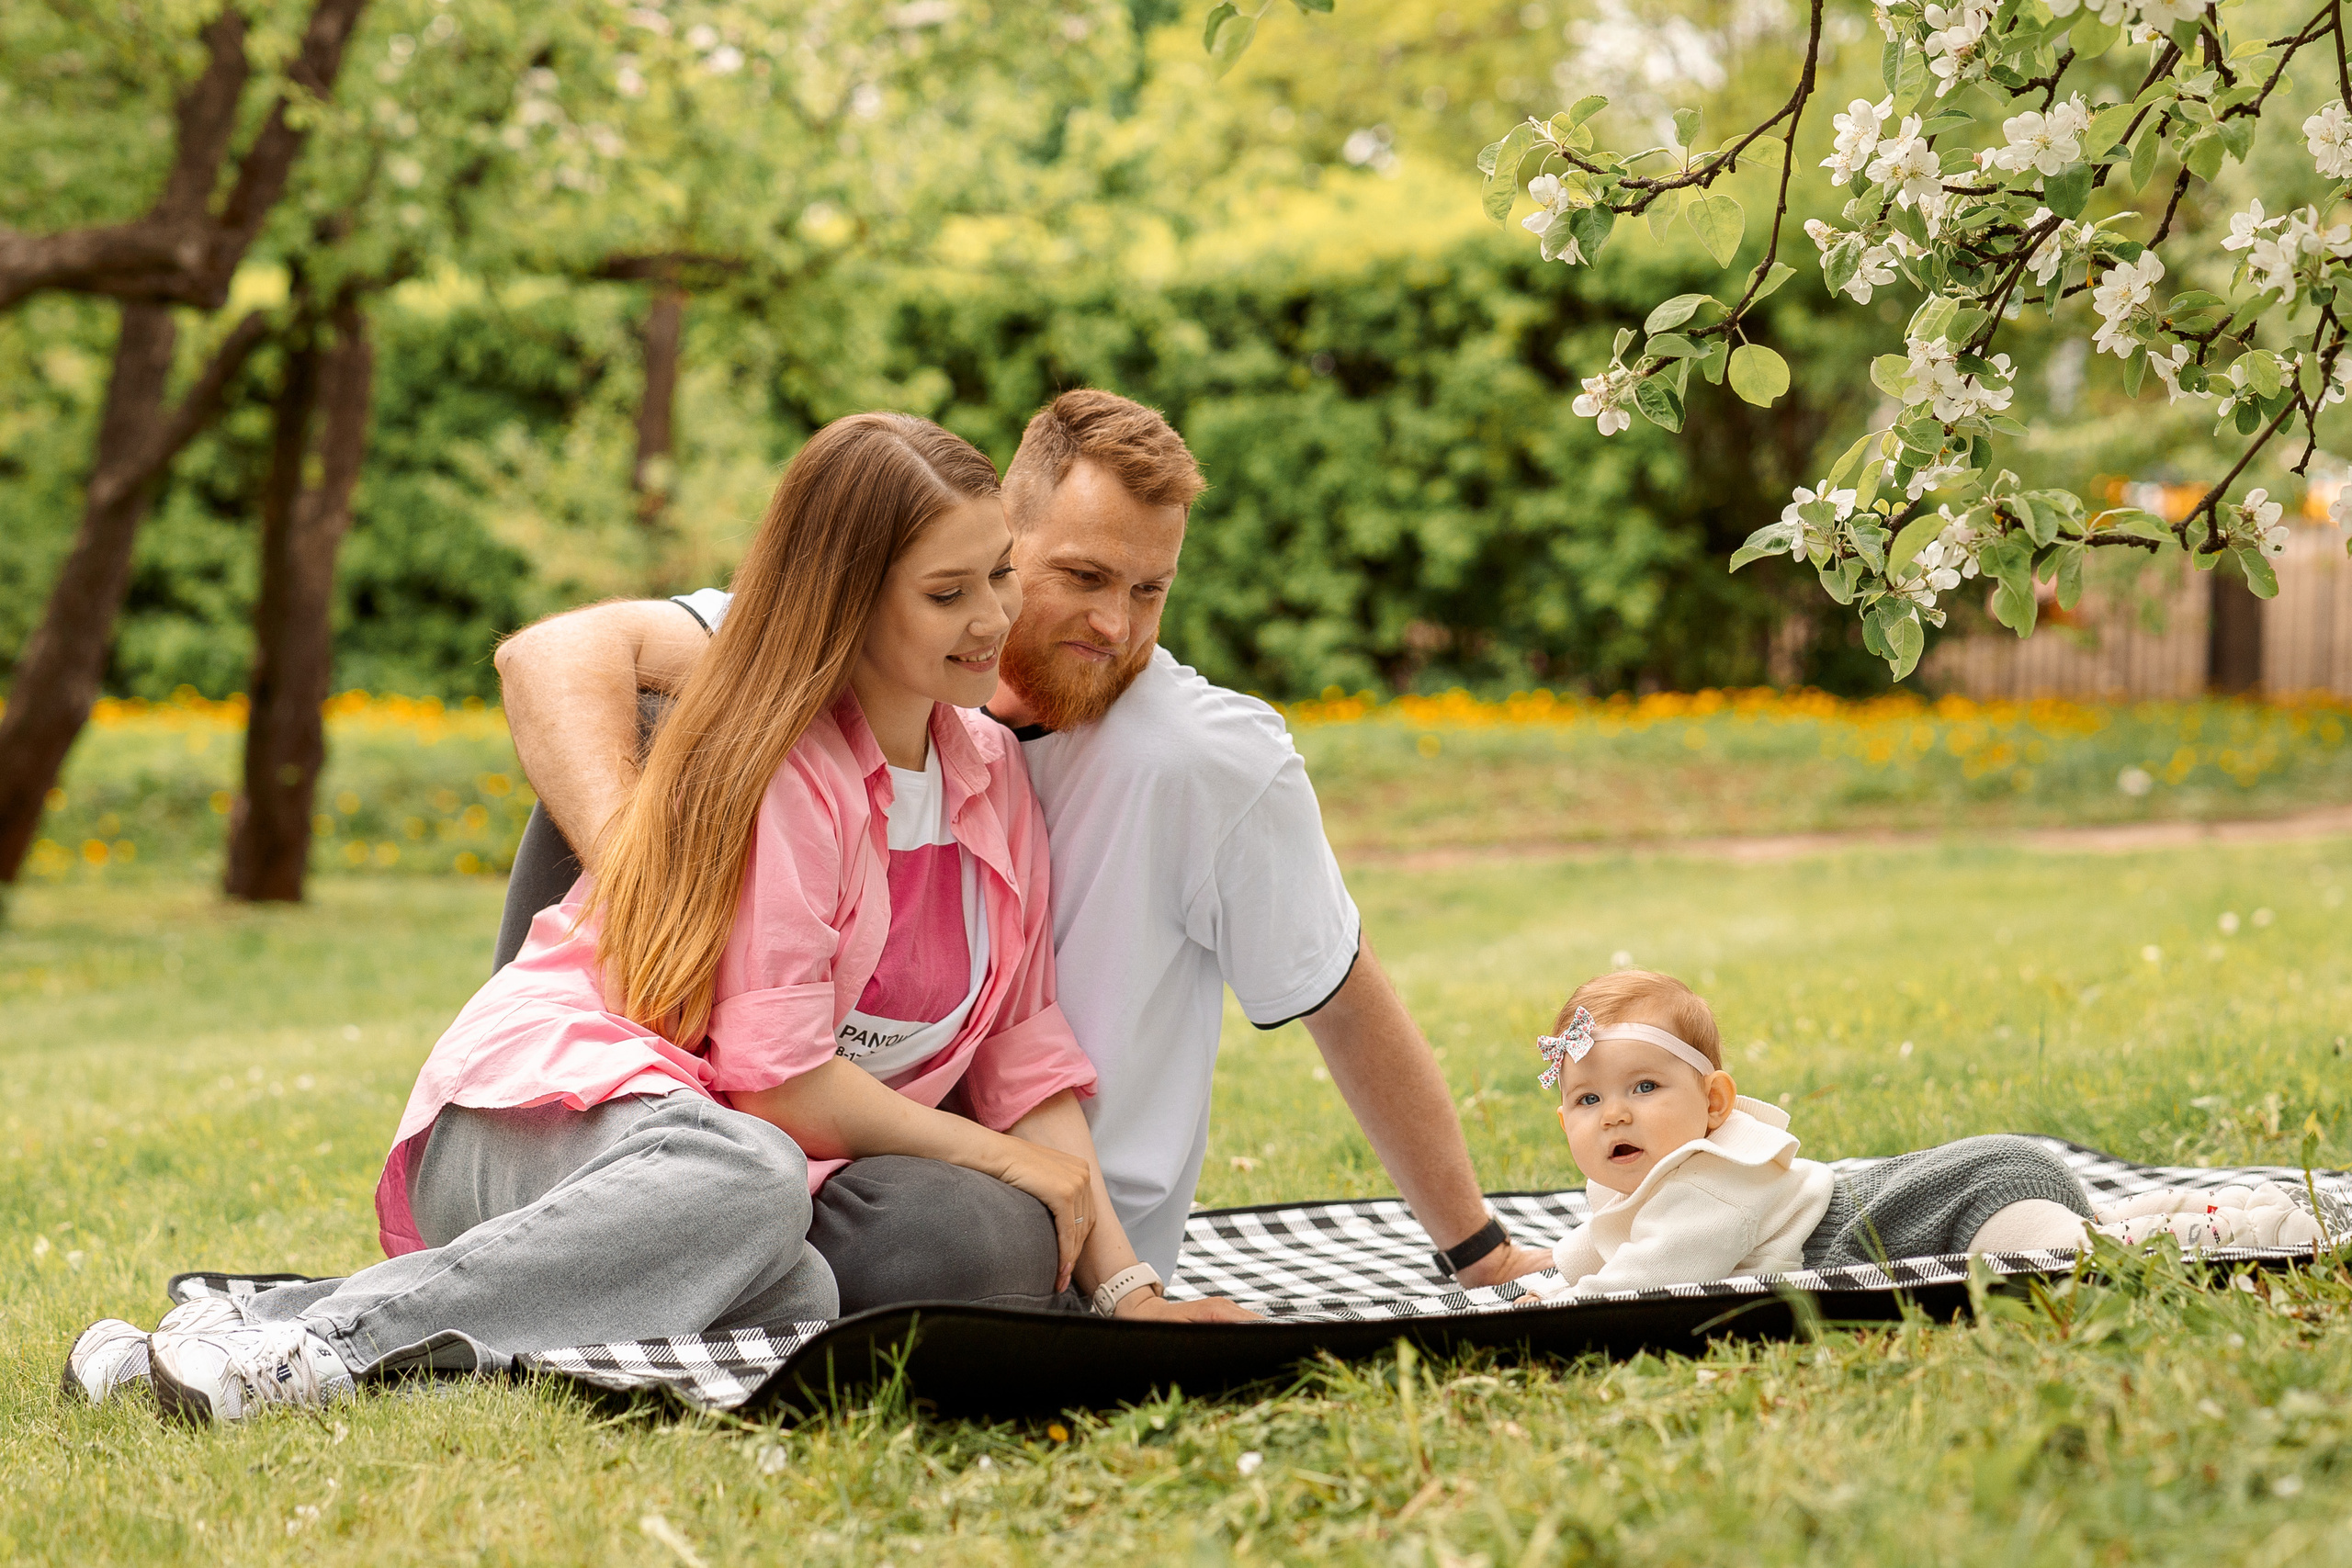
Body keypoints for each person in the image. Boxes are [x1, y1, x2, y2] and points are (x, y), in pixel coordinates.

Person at [69, 412, 1240, 1425]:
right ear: (849, 602)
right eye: (947, 593)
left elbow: (1027, 1054)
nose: (992, 620)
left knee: (800, 1296)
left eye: (996, 576)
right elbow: (779, 1083)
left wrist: (1128, 1288)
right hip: (539, 1116)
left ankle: (248, 1326)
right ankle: (334, 1347)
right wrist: (996, 1159)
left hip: (716, 1169)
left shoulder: (989, 773)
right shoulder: (790, 767)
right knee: (753, 1182)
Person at [491, 389, 1555, 1290]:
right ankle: (569, 1147)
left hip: (992, 1197)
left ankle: (650, 1240)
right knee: (644, 726)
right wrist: (643, 872)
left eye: (1152, 591)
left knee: (946, 1237)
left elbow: (1340, 994)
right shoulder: (870, 643)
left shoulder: (1203, 759)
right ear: (997, 538)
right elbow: (552, 656)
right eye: (1083, 578)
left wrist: (1476, 1245)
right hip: (774, 1116)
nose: (1117, 628)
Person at [1534, 970, 2101, 1297]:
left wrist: (1558, 1304)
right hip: (1980, 1183)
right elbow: (1606, 1243)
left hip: (1966, 1201)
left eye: (1643, 1088)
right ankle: (2157, 1213)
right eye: (1588, 1099)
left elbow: (1645, 1279)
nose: (1613, 1115)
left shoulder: (1712, 1180)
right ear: (1565, 1123)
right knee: (2081, 1229)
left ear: (1713, 1103)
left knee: (2077, 1263)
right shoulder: (1644, 1174)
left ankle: (2167, 1231)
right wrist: (1557, 1271)